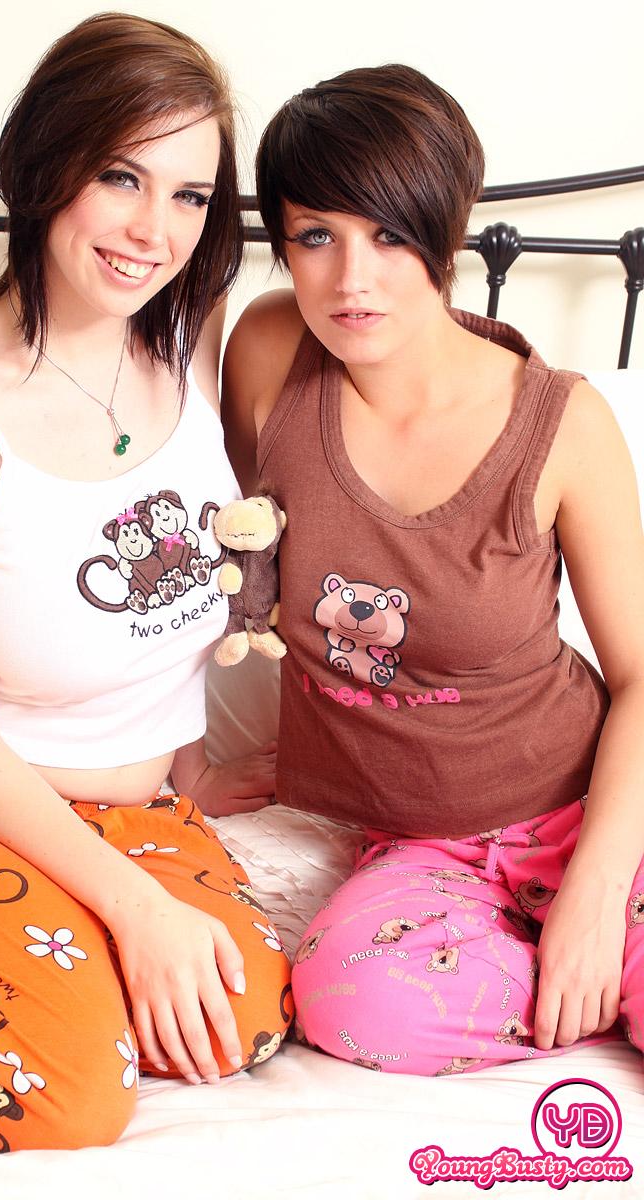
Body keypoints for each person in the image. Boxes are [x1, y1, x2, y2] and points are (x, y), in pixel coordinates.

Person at [0, 12, 291, 1153]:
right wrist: (132, 909)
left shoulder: (189, 336)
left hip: (137, 812)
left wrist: (191, 784)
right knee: (61, 1091)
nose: (154, 231)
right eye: (120, 176)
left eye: (190, 196)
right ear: (48, 166)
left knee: (235, 1013)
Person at [222, 64, 644, 1077]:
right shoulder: (269, 353)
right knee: (351, 1005)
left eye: (388, 235)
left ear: (446, 233)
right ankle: (577, 992)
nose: (349, 279)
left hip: (588, 807)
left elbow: (640, 676)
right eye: (314, 236)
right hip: (418, 847)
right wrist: (210, 760)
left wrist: (593, 897)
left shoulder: (562, 422)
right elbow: (231, 555)